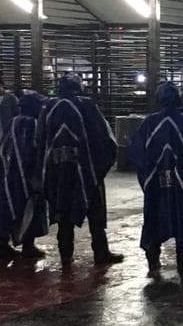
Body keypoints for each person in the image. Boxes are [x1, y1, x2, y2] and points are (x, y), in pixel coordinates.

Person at [129, 81, 183, 280]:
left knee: (155, 215)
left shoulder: (149, 123)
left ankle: (153, 257)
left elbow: (135, 153)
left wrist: (148, 178)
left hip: (156, 183)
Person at [42, 74, 123, 268]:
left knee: (64, 211)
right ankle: (101, 252)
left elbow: (41, 141)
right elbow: (104, 137)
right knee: (95, 212)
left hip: (59, 170)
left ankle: (66, 256)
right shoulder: (86, 106)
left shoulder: (49, 108)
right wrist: (100, 166)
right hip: (88, 169)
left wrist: (46, 171)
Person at [0, 92, 49, 261]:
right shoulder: (32, 124)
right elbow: (33, 151)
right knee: (28, 207)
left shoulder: (14, 122)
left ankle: (2, 245)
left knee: (5, 207)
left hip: (6, 172)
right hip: (25, 174)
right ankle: (27, 244)